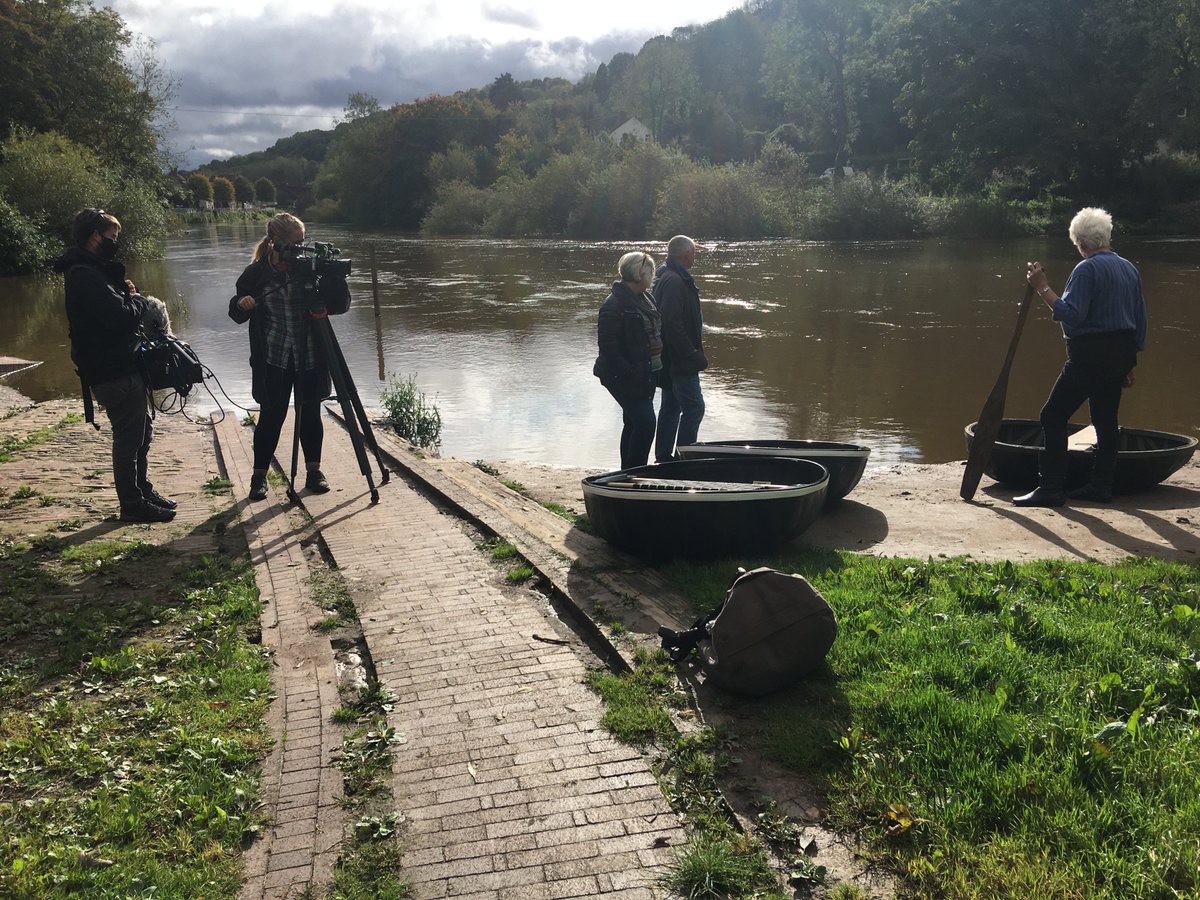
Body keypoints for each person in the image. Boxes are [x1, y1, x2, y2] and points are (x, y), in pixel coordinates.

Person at [1016, 207, 1148, 507]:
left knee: (1052, 415)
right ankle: (1100, 486)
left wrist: (1042, 288)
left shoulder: (1086, 269)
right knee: (1105, 420)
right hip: (1120, 354)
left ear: (1081, 243)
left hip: (1090, 355)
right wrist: (1130, 362)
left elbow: (1071, 315)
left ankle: (1050, 488)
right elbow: (1140, 319)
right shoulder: (1128, 267)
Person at [53, 208, 176, 523]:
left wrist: (124, 296)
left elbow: (111, 313)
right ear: (95, 236)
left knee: (142, 431)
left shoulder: (90, 271)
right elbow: (119, 317)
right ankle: (132, 504)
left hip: (119, 364)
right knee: (128, 437)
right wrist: (135, 298)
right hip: (112, 370)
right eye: (112, 236)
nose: (115, 242)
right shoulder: (85, 274)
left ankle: (142, 490)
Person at [229, 213, 350, 501]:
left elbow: (340, 305)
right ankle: (258, 477)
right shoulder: (256, 274)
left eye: (303, 241)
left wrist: (332, 275)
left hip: (310, 356)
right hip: (274, 356)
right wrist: (242, 304)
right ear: (275, 243)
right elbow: (235, 312)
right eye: (295, 243)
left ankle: (314, 472)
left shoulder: (309, 270)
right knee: (271, 417)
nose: (301, 248)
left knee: (310, 414)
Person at [593, 251, 663, 469]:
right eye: (650, 273)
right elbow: (608, 348)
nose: (652, 277)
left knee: (633, 422)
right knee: (646, 423)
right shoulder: (613, 305)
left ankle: (628, 472)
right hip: (624, 376)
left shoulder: (644, 298)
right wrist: (631, 373)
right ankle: (636, 471)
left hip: (645, 374)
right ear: (639, 273)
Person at [654, 235, 707, 462]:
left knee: (671, 407)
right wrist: (692, 354)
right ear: (687, 255)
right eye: (693, 253)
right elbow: (672, 324)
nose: (694, 257)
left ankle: (664, 457)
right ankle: (684, 458)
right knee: (694, 407)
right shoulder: (675, 281)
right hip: (679, 360)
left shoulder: (666, 274)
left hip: (669, 359)